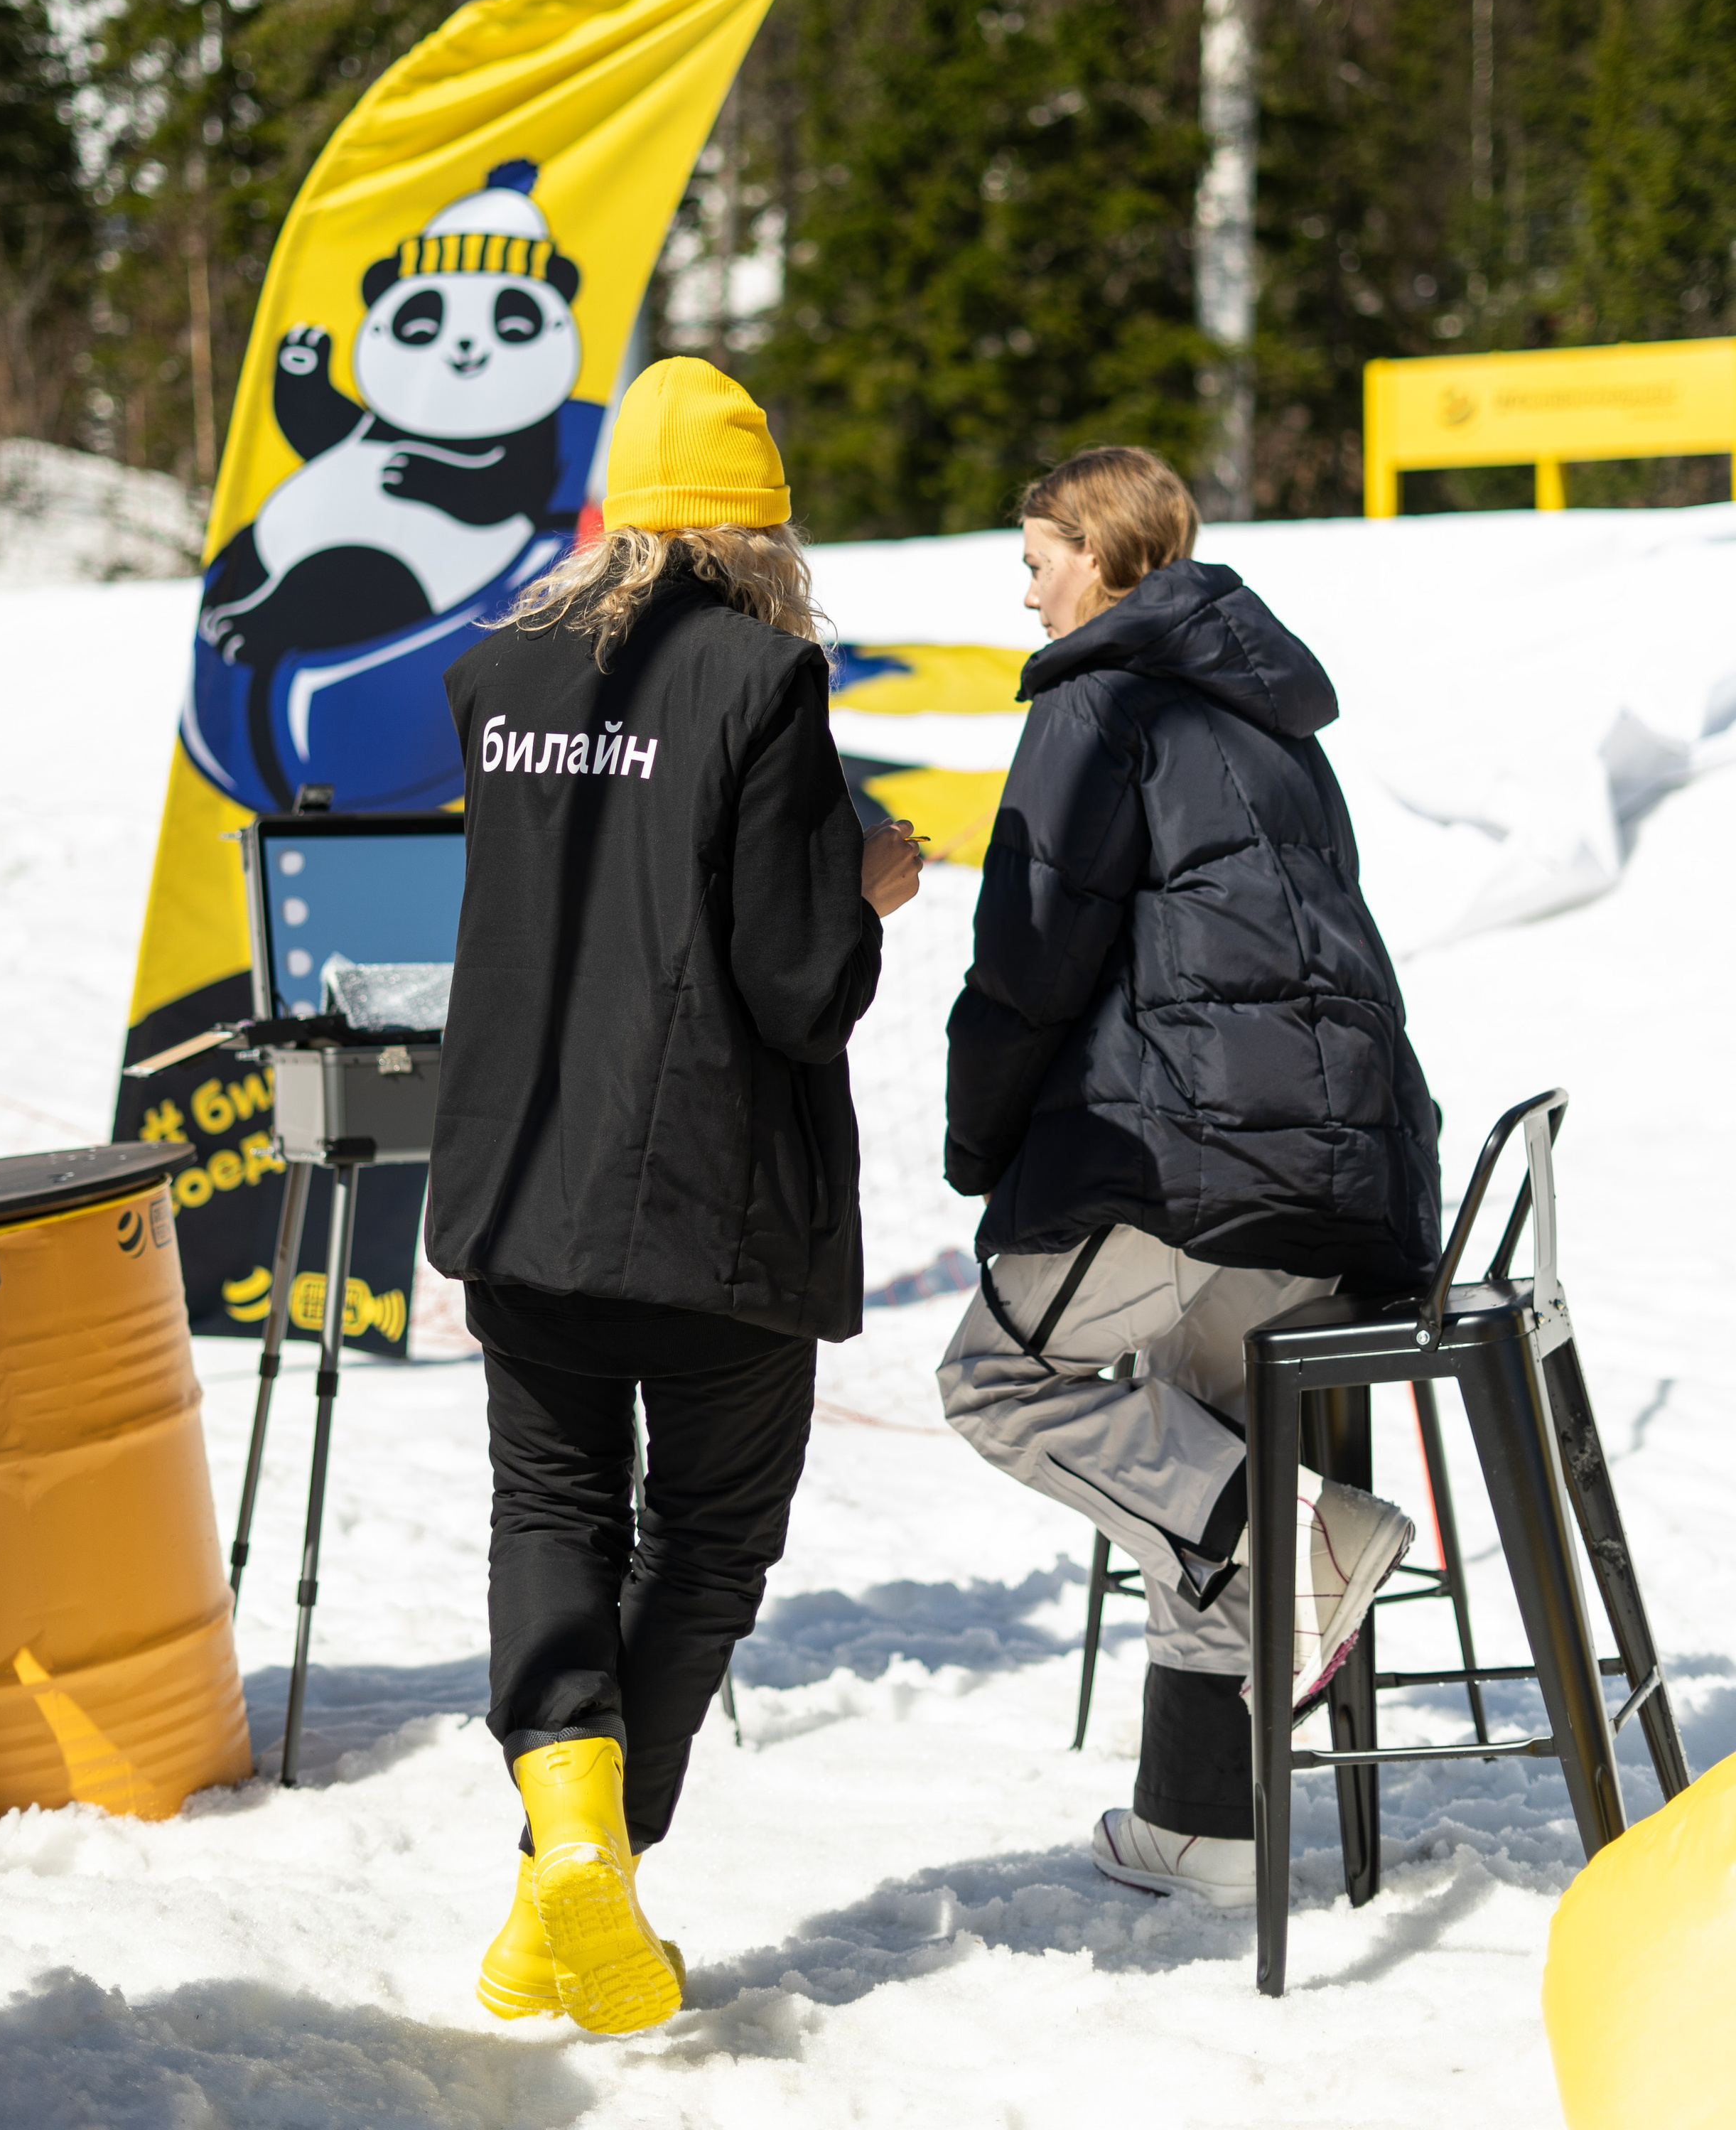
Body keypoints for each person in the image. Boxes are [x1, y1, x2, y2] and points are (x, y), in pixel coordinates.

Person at [426, 357, 922, 2033]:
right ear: (757, 533)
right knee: (706, 1541)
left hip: (519, 1179)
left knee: (549, 1510)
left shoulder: (496, 676)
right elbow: (792, 983)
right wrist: (866, 887)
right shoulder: (761, 679)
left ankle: (561, 1873)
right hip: (708, 1198)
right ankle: (584, 1876)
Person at [937, 446, 1439, 1910]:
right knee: (1191, 1442)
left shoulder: (1099, 699)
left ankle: (1308, 1536)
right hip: (1333, 1159)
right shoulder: (1272, 714)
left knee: (996, 1384)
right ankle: (1207, 1829)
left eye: (1035, 562)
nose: (1027, 594)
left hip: (1195, 1150)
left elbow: (1029, 955)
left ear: (1096, 559)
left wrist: (978, 1144)